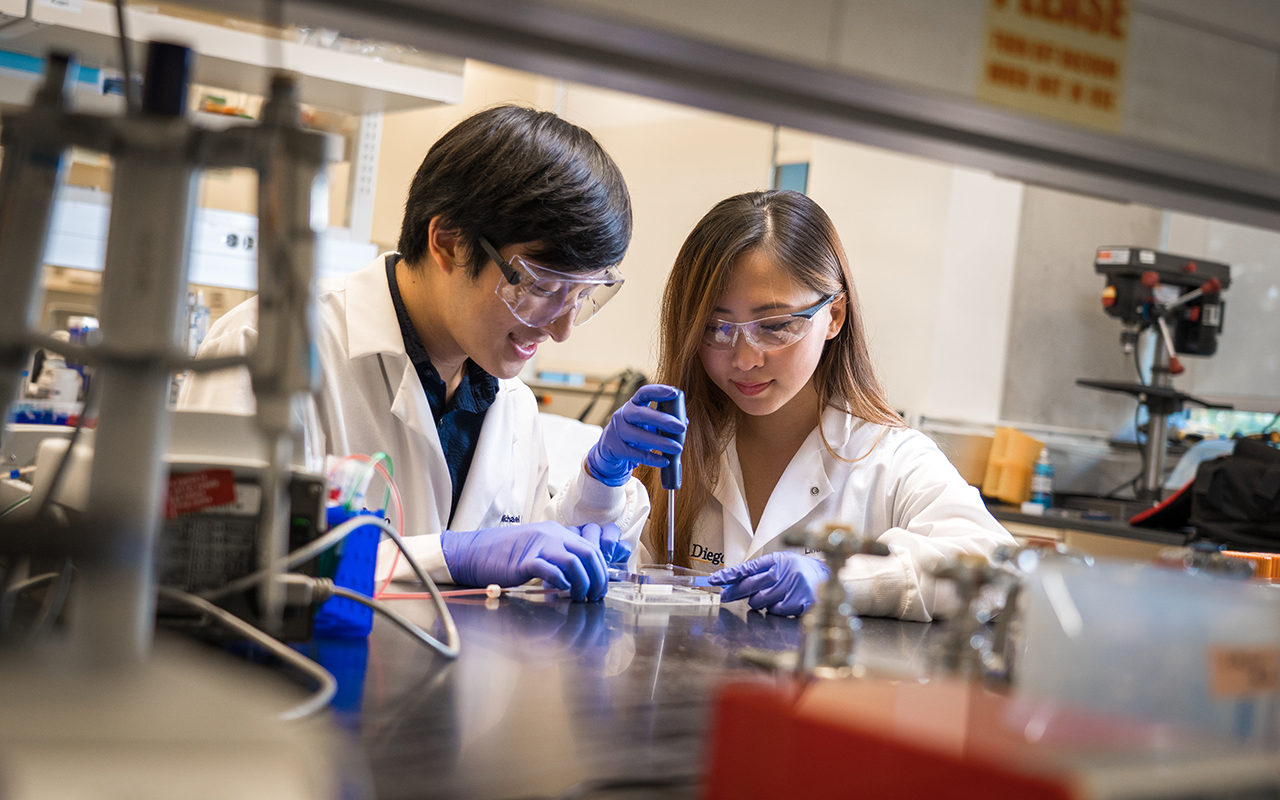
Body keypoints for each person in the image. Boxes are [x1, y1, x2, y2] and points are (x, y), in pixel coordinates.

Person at [181, 105, 683, 602]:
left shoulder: (510, 401)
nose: (561, 328)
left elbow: (517, 555)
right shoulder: (263, 348)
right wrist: (446, 555)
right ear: (447, 243)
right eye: (541, 286)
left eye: (581, 296)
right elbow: (219, 563)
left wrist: (597, 488)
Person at [598, 189, 1015, 620]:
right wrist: (600, 483)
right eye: (716, 328)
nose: (744, 358)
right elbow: (593, 585)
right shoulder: (667, 451)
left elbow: (995, 569)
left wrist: (838, 582)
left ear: (834, 316)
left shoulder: (890, 461)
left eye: (775, 326)